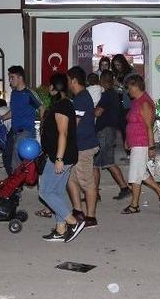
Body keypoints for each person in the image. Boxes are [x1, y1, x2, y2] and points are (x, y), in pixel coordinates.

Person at [38, 72, 85, 243]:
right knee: (57, 191)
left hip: (61, 156)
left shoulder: (62, 106)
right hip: (61, 155)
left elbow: (63, 134)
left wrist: (58, 159)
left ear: (54, 87)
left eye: (50, 85)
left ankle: (73, 222)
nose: (48, 88)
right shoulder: (62, 104)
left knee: (45, 191)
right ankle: (60, 229)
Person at [121, 74, 160, 214]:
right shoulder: (137, 101)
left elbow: (149, 126)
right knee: (141, 174)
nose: (127, 91)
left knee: (135, 176)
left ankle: (134, 205)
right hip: (136, 142)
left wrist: (151, 147)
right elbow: (133, 122)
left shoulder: (144, 103)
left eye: (129, 88)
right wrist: (127, 140)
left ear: (135, 86)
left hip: (141, 143)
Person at [65, 66, 100, 229]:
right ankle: (78, 211)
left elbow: (75, 124)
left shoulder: (81, 98)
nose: (67, 84)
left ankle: (91, 216)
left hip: (84, 147)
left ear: (73, 80)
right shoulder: (81, 97)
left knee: (86, 181)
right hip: (77, 145)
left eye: (68, 80)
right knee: (71, 179)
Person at [94, 70, 131, 201]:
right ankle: (96, 193)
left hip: (104, 132)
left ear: (102, 81)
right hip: (109, 131)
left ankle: (123, 188)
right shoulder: (113, 94)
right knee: (102, 163)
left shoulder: (107, 95)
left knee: (102, 163)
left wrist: (90, 110)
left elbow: (98, 112)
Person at [3, 66, 43, 174]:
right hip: (14, 130)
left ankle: (16, 186)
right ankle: (12, 182)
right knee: (7, 156)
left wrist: (42, 127)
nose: (10, 81)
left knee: (16, 153)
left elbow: (42, 108)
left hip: (26, 130)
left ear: (20, 78)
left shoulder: (29, 93)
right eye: (9, 78)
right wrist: (2, 118)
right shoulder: (14, 93)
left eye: (12, 77)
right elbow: (14, 111)